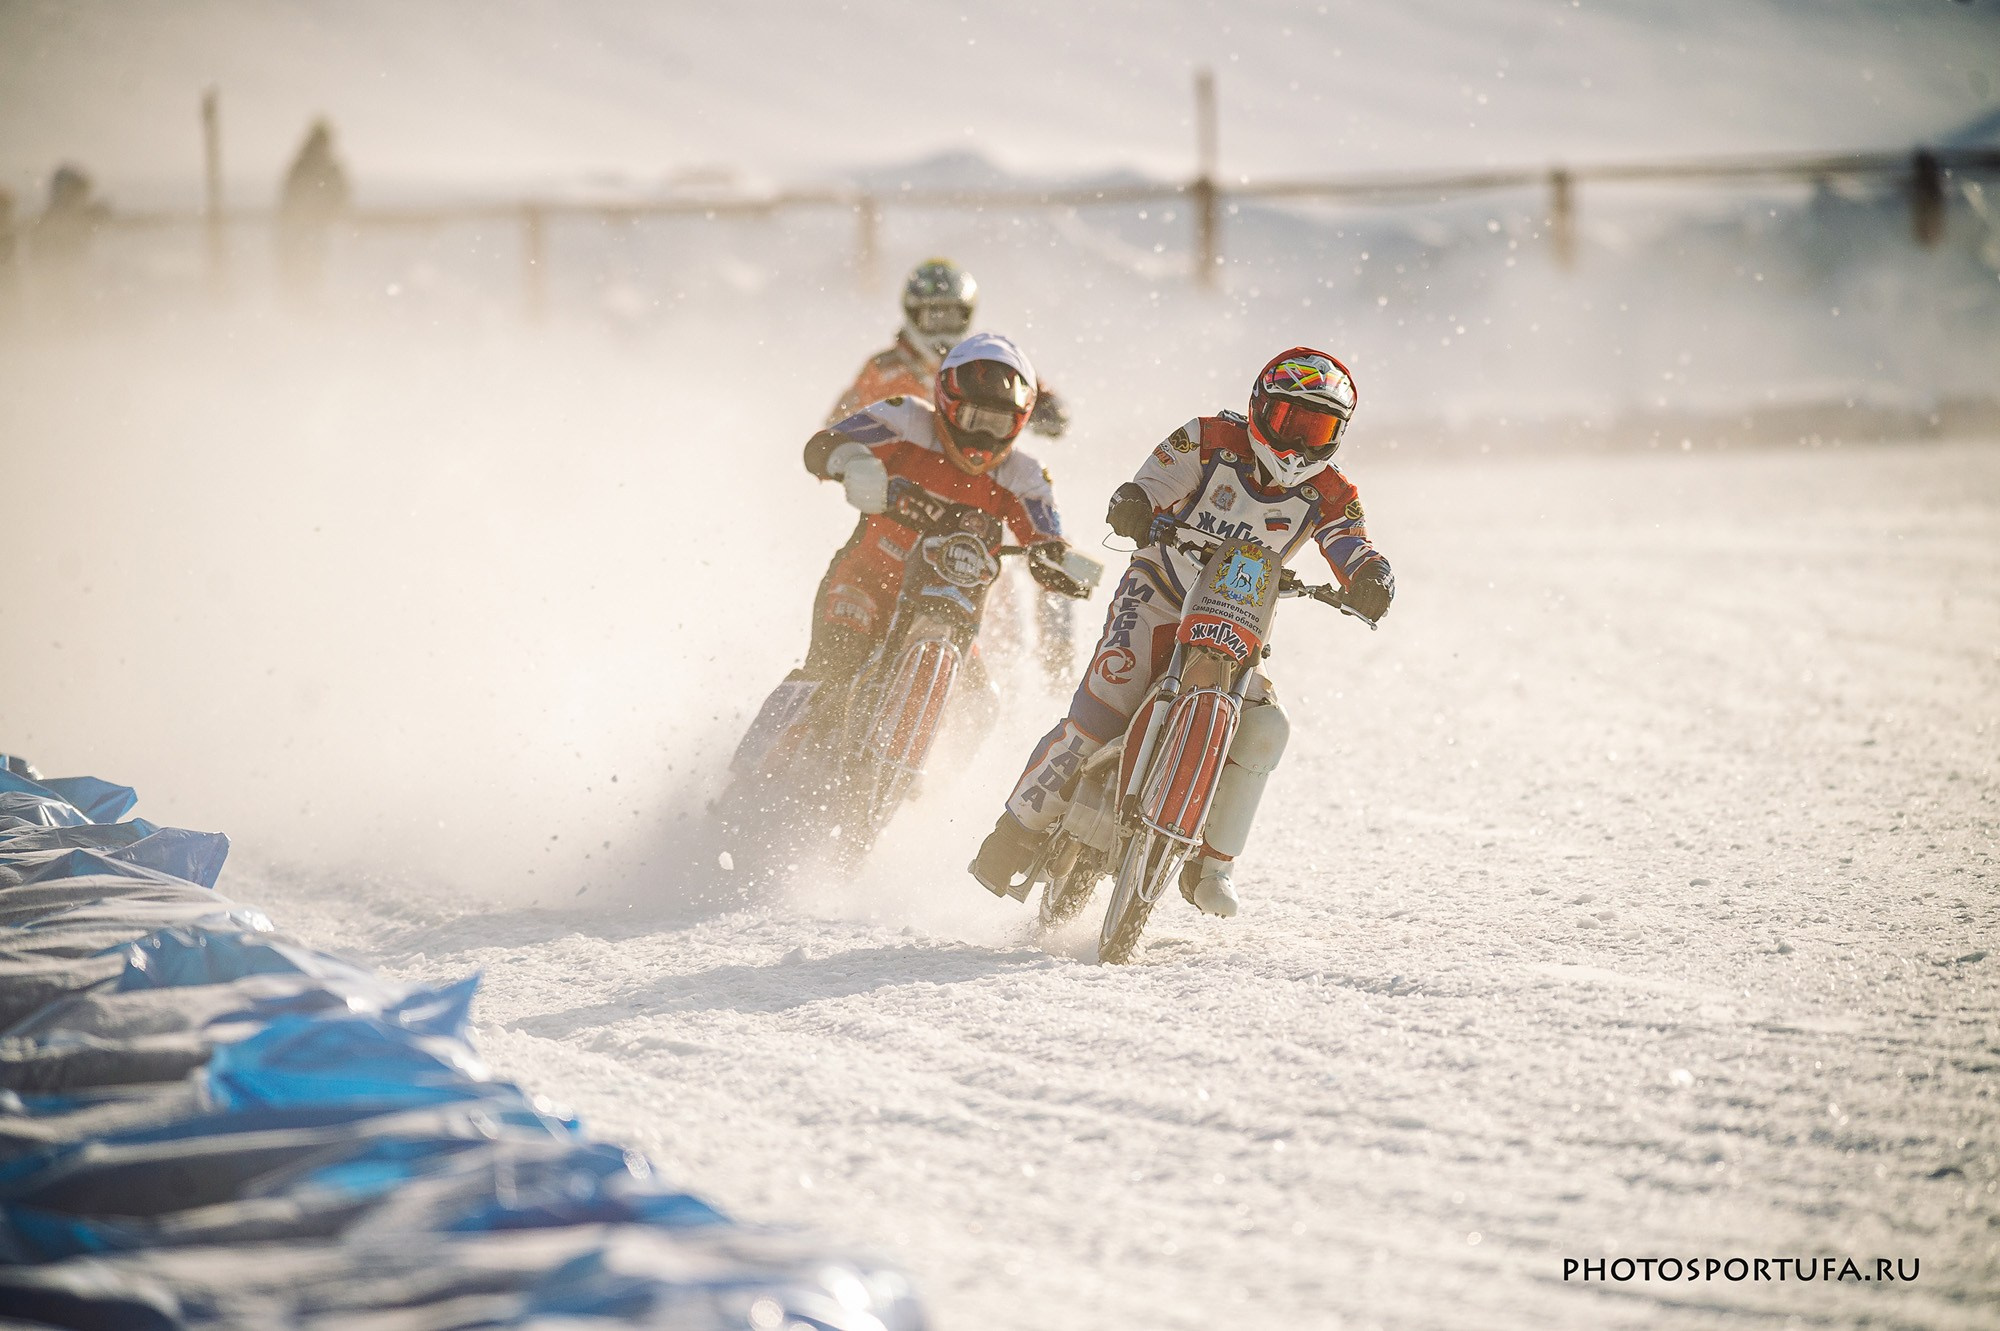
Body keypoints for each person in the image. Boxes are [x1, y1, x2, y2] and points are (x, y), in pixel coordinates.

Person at [969, 348, 1396, 918]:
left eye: (1315, 428)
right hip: (1159, 589)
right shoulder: (1208, 438)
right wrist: (1135, 503)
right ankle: (1014, 831)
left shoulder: (1333, 492)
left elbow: (1350, 541)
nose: (1297, 445)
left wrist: (1371, 575)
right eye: (1289, 422)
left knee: (1267, 727)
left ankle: (1210, 867)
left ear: (1337, 434)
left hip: (1240, 615)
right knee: (1103, 709)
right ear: (1260, 407)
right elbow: (1151, 482)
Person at [733, 332, 1087, 773]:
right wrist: (853, 462)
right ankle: (745, 777)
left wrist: (1057, 563)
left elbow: (1047, 536)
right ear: (947, 403)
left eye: (997, 424)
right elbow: (822, 445)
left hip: (954, 610)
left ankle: (925, 794)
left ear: (1018, 423)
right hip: (865, 582)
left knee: (982, 706)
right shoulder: (903, 419)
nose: (981, 437)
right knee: (831, 671)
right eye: (973, 417)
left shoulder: (1026, 476)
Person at [829, 259, 1076, 682]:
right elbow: (840, 423)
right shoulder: (886, 371)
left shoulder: (982, 361)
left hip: (979, 501)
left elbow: (1039, 396)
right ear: (913, 314)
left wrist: (1042, 410)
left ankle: (1024, 672)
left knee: (1025, 569)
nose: (942, 326)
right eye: (933, 314)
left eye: (952, 315)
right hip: (906, 500)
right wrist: (859, 461)